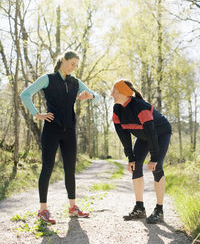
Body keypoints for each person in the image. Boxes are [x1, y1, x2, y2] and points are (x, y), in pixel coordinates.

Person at [20, 51, 98, 224]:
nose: (74, 67)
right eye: (72, 63)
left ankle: (73, 207)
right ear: (63, 60)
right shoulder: (48, 79)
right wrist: (37, 114)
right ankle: (43, 210)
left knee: (70, 169)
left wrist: (90, 96)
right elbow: (25, 95)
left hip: (69, 130)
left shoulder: (75, 82)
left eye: (76, 65)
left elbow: (97, 96)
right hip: (51, 129)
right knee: (47, 167)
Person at [111, 79, 172, 224]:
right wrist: (130, 157)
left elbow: (152, 132)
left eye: (114, 91)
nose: (111, 94)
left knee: (156, 167)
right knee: (135, 167)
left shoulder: (140, 107)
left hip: (160, 133)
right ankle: (139, 208)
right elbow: (124, 136)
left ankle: (159, 209)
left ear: (123, 93)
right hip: (143, 136)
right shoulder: (117, 110)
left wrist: (155, 157)